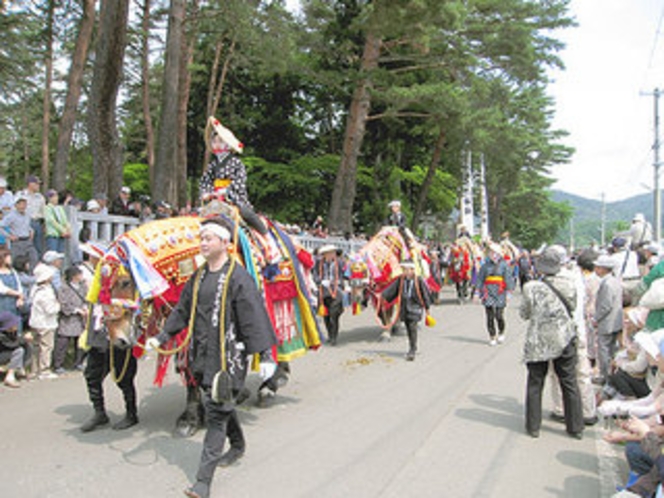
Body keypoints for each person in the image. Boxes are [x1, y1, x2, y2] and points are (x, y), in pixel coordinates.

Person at [146, 217, 278, 498]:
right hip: (202, 354)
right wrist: (161, 336)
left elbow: (254, 316)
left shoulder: (238, 277)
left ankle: (202, 482)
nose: (203, 242)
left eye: (209, 238)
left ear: (225, 243)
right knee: (217, 403)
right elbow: (181, 310)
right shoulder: (199, 276)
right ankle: (238, 445)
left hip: (230, 358)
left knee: (216, 413)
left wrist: (265, 355)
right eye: (201, 238)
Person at [520, 246, 584, 440]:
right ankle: (575, 427)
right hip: (563, 337)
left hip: (538, 340)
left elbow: (524, 313)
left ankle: (533, 426)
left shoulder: (530, 287)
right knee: (569, 381)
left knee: (535, 382)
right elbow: (571, 306)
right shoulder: (569, 284)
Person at [381, 259, 432, 361]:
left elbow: (425, 294)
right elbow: (392, 290)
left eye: (406, 269)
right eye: (403, 269)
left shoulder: (419, 280)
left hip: (415, 307)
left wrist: (427, 307)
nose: (404, 271)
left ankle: (412, 349)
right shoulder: (401, 280)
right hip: (404, 307)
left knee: (412, 327)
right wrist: (382, 295)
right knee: (408, 328)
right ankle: (413, 345)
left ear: (412, 270)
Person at [593, 254, 624, 386]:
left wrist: (596, 318)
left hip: (607, 322)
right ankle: (612, 376)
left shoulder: (607, 284)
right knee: (612, 350)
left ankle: (606, 376)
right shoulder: (615, 281)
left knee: (604, 351)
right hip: (615, 321)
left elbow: (605, 306)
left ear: (602, 268)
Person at [476, 242, 513, 346]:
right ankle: (492, 336)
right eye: (491, 252)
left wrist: (509, 293)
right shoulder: (485, 266)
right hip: (488, 292)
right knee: (489, 316)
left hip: (500, 292)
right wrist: (477, 291)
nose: (492, 254)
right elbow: (480, 279)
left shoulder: (504, 265)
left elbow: (508, 279)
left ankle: (501, 331)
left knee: (499, 315)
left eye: (494, 252)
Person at [53, 266, 88, 374]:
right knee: (63, 342)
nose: (81, 276)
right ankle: (58, 365)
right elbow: (63, 304)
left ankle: (78, 363)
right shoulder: (63, 288)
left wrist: (85, 307)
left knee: (80, 343)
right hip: (68, 318)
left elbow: (87, 299)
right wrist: (76, 310)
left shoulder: (83, 287)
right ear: (74, 276)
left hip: (81, 319)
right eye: (80, 274)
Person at [29, 264, 60, 380]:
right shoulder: (46, 292)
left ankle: (35, 369)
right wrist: (58, 305)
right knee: (46, 346)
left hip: (35, 322)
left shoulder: (35, 288)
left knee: (36, 347)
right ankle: (44, 370)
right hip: (46, 323)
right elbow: (50, 309)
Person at [313, 244, 346, 346]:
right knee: (326, 315)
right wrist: (320, 281)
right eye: (330, 253)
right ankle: (329, 334)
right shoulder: (319, 263)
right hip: (323, 290)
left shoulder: (339, 262)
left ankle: (334, 336)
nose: (332, 255)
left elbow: (343, 274)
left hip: (336, 289)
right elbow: (315, 274)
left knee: (334, 314)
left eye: (333, 252)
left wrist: (339, 282)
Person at [0, 195, 39, 271]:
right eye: (20, 204)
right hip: (17, 242)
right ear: (16, 205)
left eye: (24, 204)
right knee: (17, 261)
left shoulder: (27, 215)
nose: (22, 206)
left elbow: (26, 226)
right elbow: (1, 226)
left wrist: (31, 231)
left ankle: (29, 275)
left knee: (34, 257)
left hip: (27, 241)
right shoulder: (11, 216)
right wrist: (9, 236)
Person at [0, 311, 32, 388]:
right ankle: (9, 377)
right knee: (19, 351)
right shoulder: (2, 336)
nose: (16, 325)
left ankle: (20, 369)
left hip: (6, 353)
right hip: (2, 354)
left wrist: (24, 340)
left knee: (27, 346)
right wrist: (24, 339)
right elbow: (11, 345)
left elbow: (17, 340)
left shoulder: (12, 332)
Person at [17, 175, 45, 258]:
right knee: (25, 245)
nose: (38, 186)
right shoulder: (21, 195)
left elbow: (43, 212)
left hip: (37, 222)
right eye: (37, 184)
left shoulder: (40, 197)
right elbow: (16, 209)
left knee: (38, 246)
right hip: (24, 222)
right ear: (30, 184)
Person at [0, 249, 24, 332]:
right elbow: (2, 289)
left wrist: (20, 298)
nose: (10, 259)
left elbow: (19, 285)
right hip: (3, 303)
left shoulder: (13, 271)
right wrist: (17, 294)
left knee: (16, 325)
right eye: (8, 257)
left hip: (14, 304)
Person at [44, 189, 71, 254]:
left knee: (61, 255)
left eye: (56, 196)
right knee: (52, 255)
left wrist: (68, 229)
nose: (56, 198)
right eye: (53, 196)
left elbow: (65, 220)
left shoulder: (60, 208)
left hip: (62, 236)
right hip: (53, 235)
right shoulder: (47, 208)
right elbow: (52, 221)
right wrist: (63, 230)